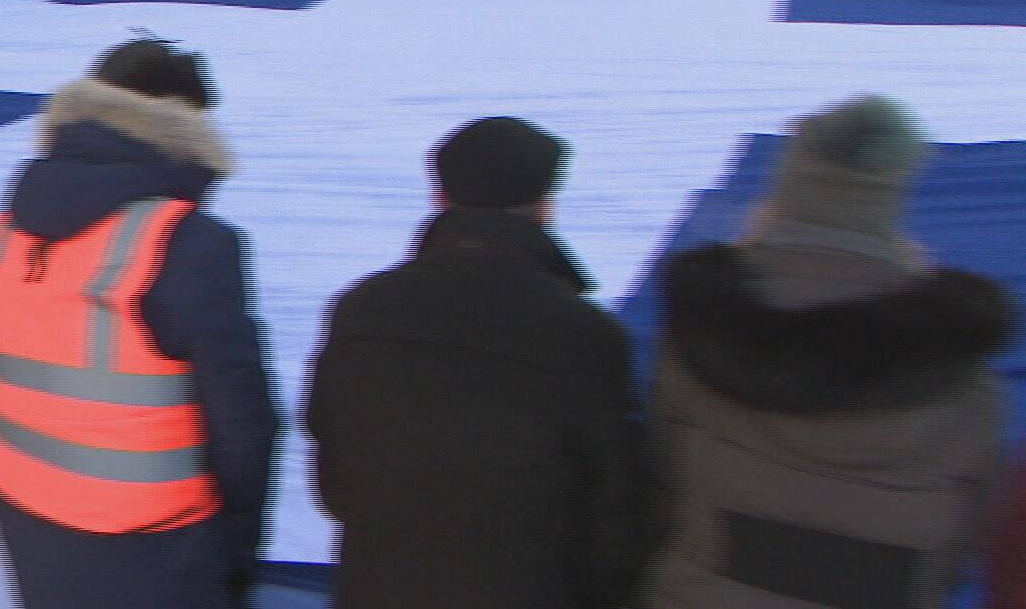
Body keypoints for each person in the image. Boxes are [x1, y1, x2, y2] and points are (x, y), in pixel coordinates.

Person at [644, 96, 1014, 609]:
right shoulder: (963, 379)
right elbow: (965, 545)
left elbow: (662, 483)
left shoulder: (700, 331)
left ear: (790, 177)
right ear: (894, 186)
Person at [0, 39, 278, 609]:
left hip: (31, 519)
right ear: (187, 123)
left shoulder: (5, 233)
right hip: (159, 544)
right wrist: (235, 555)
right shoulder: (190, 242)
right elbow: (241, 423)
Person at [306, 116, 651, 609]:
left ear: (440, 197)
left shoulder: (362, 307)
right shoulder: (582, 331)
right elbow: (614, 515)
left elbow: (333, 482)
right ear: (544, 207)